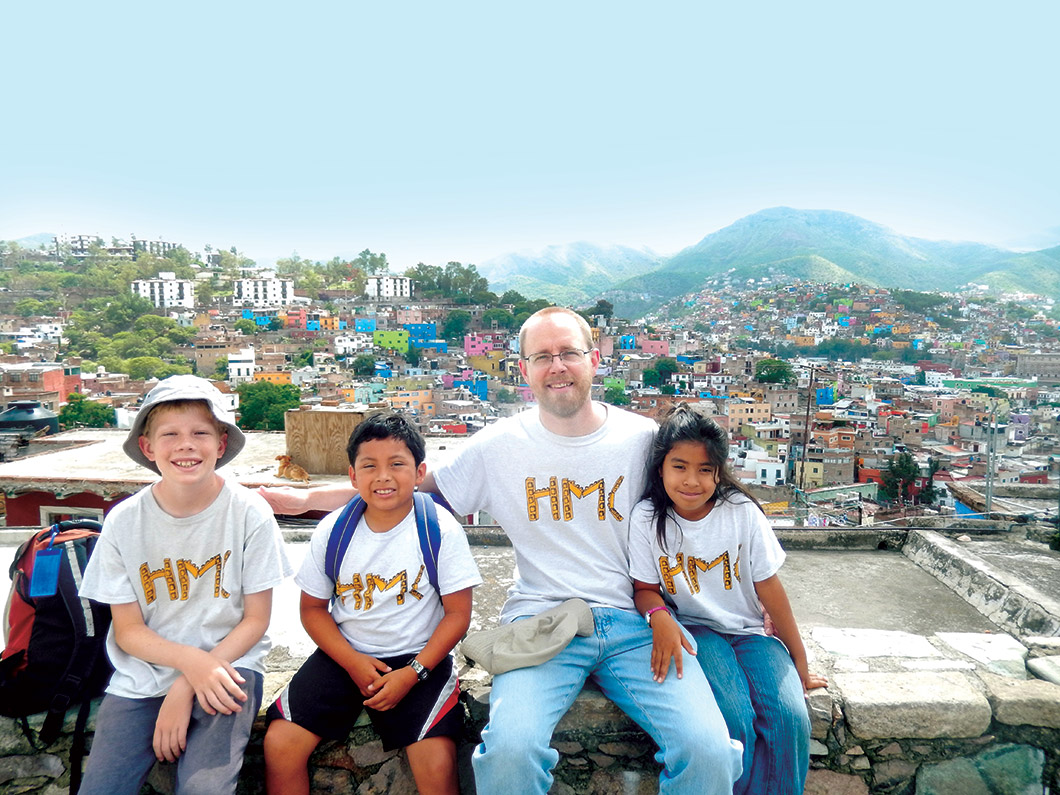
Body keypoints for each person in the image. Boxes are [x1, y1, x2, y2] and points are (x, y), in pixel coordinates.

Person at [261, 307, 742, 795]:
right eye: (542, 357)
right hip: (541, 620)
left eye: (569, 353)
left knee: (708, 751)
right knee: (509, 753)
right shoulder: (499, 446)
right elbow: (397, 488)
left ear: (594, 360)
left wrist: (748, 599)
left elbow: (706, 513)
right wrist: (301, 499)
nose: (557, 366)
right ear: (524, 369)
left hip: (636, 624)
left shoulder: (643, 441)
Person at [78, 375, 292, 795]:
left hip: (230, 667)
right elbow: (129, 631)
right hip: (142, 674)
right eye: (170, 434)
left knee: (203, 790)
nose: (186, 445)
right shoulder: (124, 521)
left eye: (200, 433)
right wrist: (189, 668)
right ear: (148, 447)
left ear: (221, 442)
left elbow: (255, 620)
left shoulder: (250, 513)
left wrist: (186, 684)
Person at [263, 412, 481, 795]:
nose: (383, 476)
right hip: (346, 656)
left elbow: (458, 614)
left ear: (418, 472)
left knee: (436, 761)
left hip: (418, 658)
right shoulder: (333, 530)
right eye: (370, 466)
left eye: (397, 464)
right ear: (352, 476)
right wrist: (352, 661)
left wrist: (412, 672)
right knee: (280, 744)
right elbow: (312, 609)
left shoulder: (439, 529)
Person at [629, 403, 828, 795]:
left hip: (751, 632)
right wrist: (659, 617)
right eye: (680, 466)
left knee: (790, 718)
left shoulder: (741, 513)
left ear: (719, 471)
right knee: (733, 718)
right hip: (694, 631)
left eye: (705, 469)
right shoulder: (648, 518)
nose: (691, 481)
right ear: (661, 468)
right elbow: (644, 589)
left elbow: (770, 590)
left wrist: (800, 662)